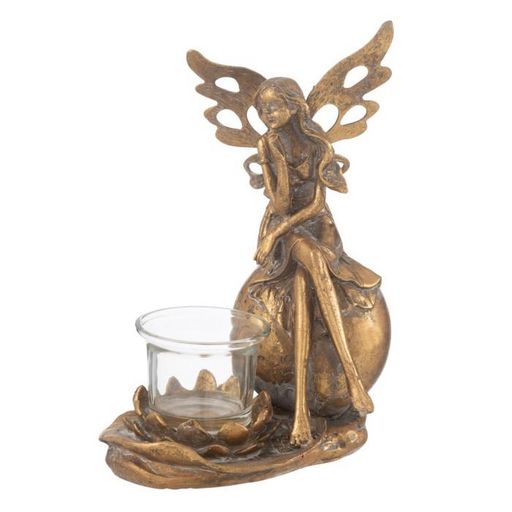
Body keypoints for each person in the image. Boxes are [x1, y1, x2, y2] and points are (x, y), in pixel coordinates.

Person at [251, 77, 380, 445]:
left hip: (318, 227)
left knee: (304, 279)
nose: (267, 115)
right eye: (262, 110)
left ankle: (303, 414)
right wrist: (274, 159)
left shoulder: (317, 144)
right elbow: (279, 205)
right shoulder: (266, 144)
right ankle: (352, 380)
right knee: (309, 262)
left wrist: (278, 232)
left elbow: (316, 205)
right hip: (284, 231)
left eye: (274, 107)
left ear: (294, 106)